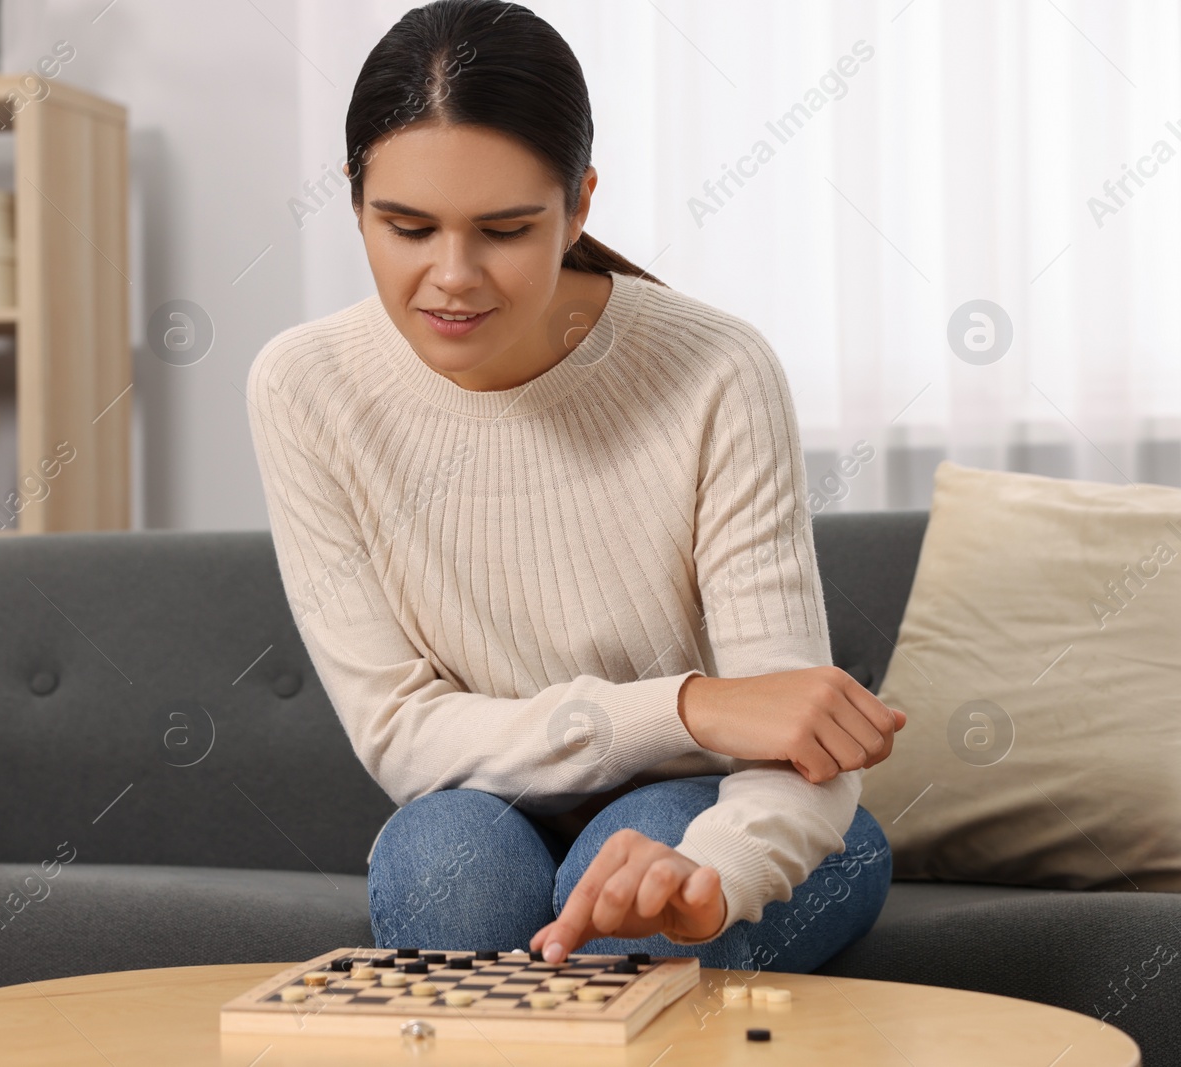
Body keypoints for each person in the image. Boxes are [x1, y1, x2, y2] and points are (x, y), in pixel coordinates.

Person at [244, 0, 905, 975]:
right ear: (353, 200)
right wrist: (689, 706)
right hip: (485, 808)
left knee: (631, 871)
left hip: (729, 810)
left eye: (506, 229)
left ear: (579, 203)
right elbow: (403, 734)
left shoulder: (716, 370)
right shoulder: (305, 386)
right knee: (446, 854)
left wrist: (709, 875)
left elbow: (790, 748)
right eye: (407, 226)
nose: (452, 276)